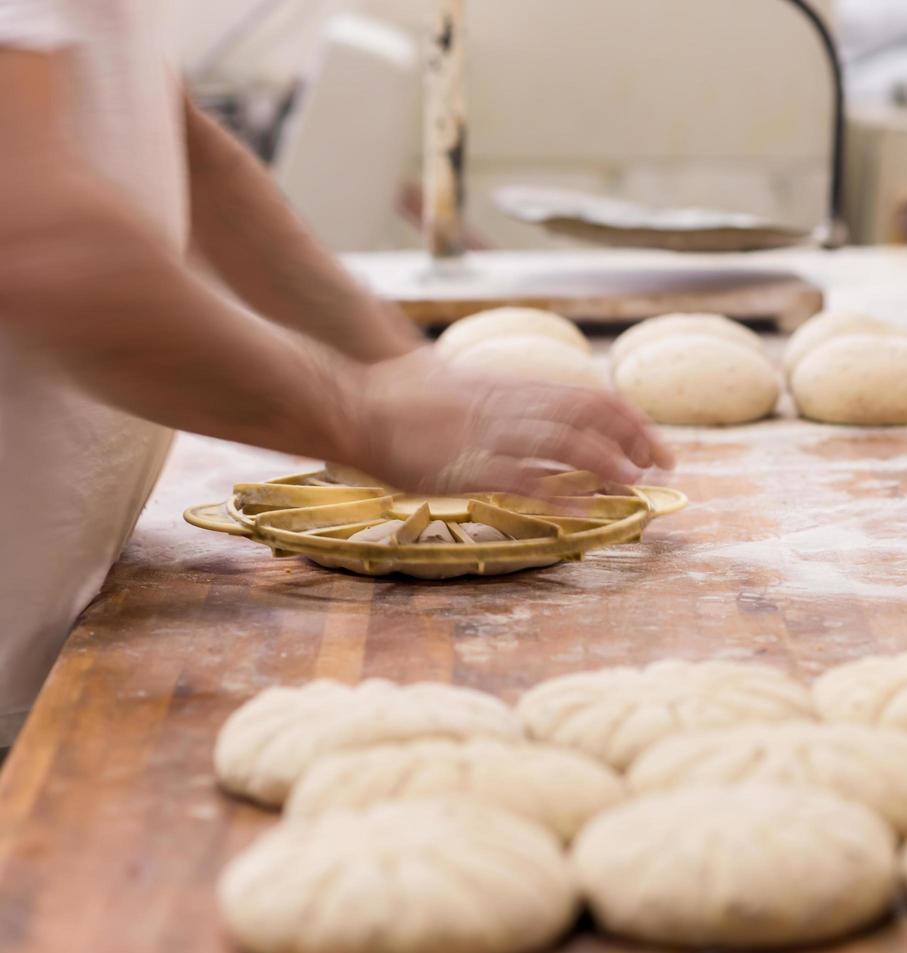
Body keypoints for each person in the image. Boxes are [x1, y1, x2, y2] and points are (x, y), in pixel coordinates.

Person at [0, 2, 675, 745]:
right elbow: (35, 240)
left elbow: (182, 150)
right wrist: (365, 419)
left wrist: (402, 369)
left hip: (64, 625)